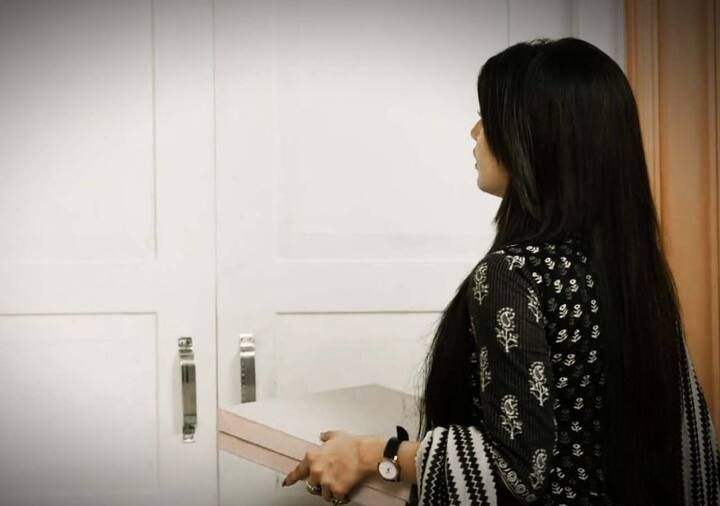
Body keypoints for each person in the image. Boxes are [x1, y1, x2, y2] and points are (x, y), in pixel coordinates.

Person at [281, 36, 720, 505]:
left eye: (488, 117)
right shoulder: (633, 274)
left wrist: (372, 453)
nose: (475, 132)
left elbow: (515, 469)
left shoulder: (512, 274)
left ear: (537, 137)